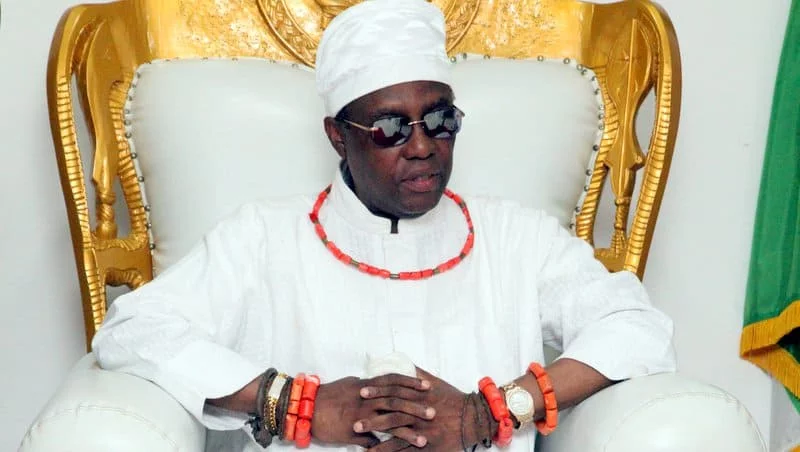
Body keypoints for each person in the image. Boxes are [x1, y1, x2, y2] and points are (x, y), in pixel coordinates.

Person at [92, 0, 676, 451]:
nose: (422, 147)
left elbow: (634, 325)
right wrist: (294, 403)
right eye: (390, 128)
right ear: (337, 136)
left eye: (440, 120)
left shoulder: (517, 237)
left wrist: (490, 411)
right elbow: (134, 330)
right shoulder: (263, 237)